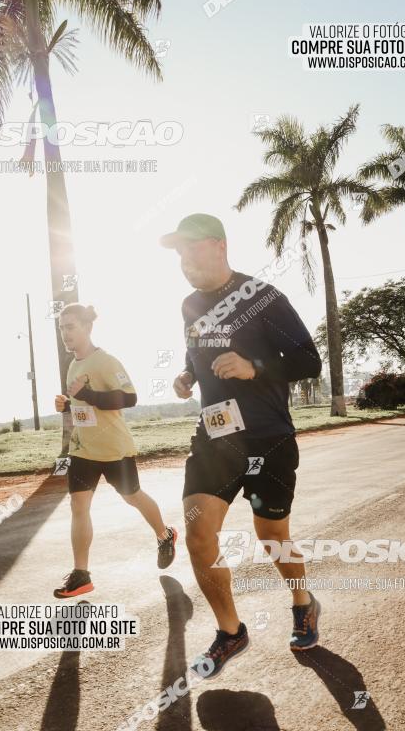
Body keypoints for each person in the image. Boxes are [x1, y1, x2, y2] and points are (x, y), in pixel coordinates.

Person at [161, 213, 323, 678]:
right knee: (197, 533)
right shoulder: (189, 305)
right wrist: (188, 374)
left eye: (190, 248)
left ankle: (302, 601)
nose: (183, 259)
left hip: (267, 436)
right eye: (178, 253)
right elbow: (196, 350)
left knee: (272, 537)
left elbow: (307, 360)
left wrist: (254, 367)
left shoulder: (263, 297)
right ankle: (231, 631)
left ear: (219, 245)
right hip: (215, 437)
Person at [53, 303, 176, 597]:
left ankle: (165, 534)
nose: (65, 334)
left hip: (113, 450)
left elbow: (129, 398)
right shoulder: (73, 365)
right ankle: (81, 574)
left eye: (70, 327)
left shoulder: (106, 361)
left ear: (87, 327)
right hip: (82, 450)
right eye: (61, 328)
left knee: (132, 496)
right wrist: (68, 404)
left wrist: (87, 395)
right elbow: (83, 405)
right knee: (78, 507)